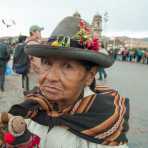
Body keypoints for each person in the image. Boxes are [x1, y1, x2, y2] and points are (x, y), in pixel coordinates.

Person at [0, 15, 129, 147]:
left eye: (67, 66)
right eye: (47, 63)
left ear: (89, 76)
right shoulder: (31, 107)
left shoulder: (106, 124)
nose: (51, 77)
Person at [25, 25, 44, 90]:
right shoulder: (34, 44)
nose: (40, 33)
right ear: (33, 32)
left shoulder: (28, 42)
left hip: (30, 72)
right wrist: (43, 73)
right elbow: (38, 63)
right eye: (39, 31)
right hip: (35, 74)